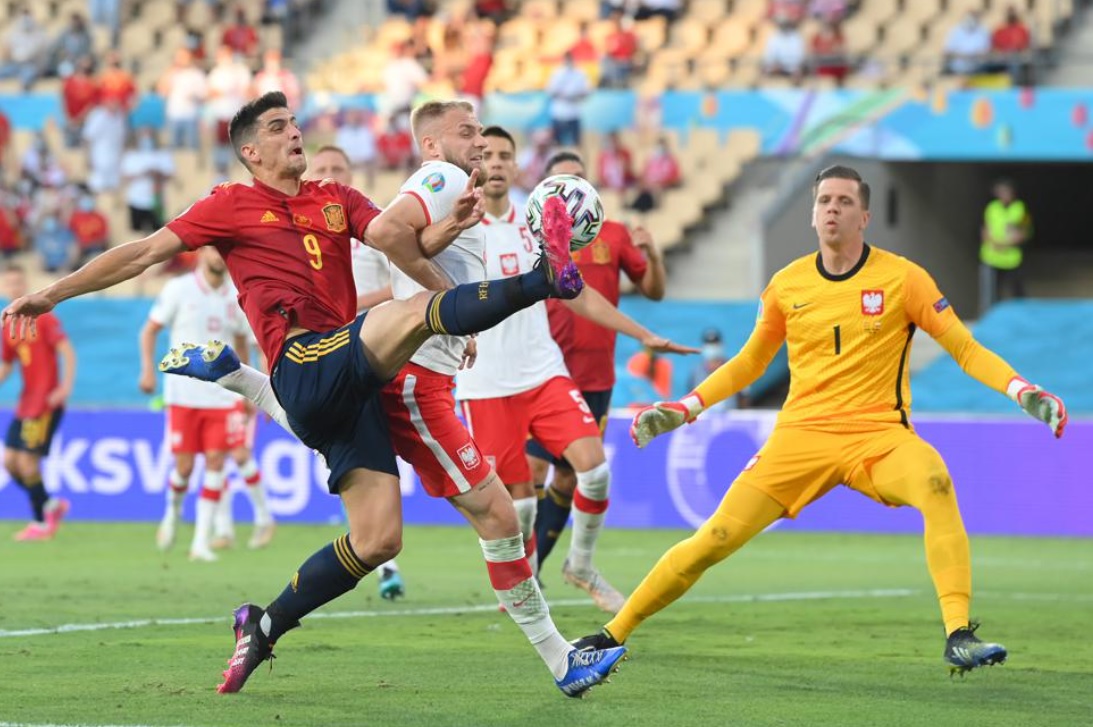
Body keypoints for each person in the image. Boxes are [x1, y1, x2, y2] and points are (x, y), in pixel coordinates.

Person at [2, 91, 624, 697]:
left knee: (383, 538)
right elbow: (140, 253)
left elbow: (390, 237)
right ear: (250, 151)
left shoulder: (336, 199)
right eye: (277, 126)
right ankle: (546, 276)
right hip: (304, 362)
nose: (293, 131)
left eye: (294, 121)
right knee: (405, 318)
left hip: (350, 382)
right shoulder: (228, 204)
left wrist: (442, 239)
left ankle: (265, 624)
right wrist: (52, 293)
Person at [571, 165, 1069, 676]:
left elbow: (964, 348)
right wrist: (685, 407)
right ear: (812, 215)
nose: (832, 208)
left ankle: (958, 634)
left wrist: (1020, 389)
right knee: (714, 539)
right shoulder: (787, 285)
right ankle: (610, 635)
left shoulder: (903, 278)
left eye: (844, 201)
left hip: (879, 438)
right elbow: (748, 363)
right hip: (799, 439)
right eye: (823, 200)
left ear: (865, 216)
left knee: (937, 483)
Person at [457, 128, 693, 613]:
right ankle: (522, 586)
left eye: (506, 154)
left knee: (595, 471)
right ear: (474, 164)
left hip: (545, 372)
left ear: (518, 166)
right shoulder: (456, 227)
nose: (497, 163)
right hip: (485, 384)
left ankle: (580, 564)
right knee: (519, 506)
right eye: (487, 155)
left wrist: (641, 333)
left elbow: (576, 292)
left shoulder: (540, 227)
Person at [528, 149, 668, 576]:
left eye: (578, 180)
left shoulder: (615, 234)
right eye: (561, 182)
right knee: (531, 472)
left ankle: (534, 570)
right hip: (544, 370)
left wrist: (654, 255)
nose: (570, 189)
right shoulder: (530, 235)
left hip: (595, 376)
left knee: (569, 479)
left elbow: (653, 291)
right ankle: (517, 570)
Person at [138, 246, 273, 559]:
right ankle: (171, 514)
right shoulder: (178, 289)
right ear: (200, 253)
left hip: (222, 396)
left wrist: (251, 389)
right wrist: (147, 370)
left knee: (217, 461)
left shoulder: (236, 295)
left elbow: (243, 342)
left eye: (222, 250)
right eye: (212, 249)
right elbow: (149, 331)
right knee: (184, 468)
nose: (218, 256)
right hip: (183, 394)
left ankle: (201, 542)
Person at [0, 265, 74, 541]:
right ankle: (51, 505)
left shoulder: (42, 318)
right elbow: (7, 366)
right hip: (25, 403)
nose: (14, 286)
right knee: (9, 463)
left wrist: (64, 387)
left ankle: (41, 523)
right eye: (9, 282)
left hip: (45, 402)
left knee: (28, 464)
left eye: (18, 281)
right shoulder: (8, 324)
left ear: (25, 283)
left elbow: (67, 351)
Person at [979, 178, 1030, 314]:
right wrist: (993, 242)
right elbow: (984, 229)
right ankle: (992, 318)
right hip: (992, 257)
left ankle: (1021, 315)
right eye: (1000, 192)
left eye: (1006, 192)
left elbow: (1024, 232)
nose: (1003, 195)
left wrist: (1006, 244)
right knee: (991, 293)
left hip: (1012, 258)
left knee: (1017, 292)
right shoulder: (992, 207)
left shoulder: (1020, 208)